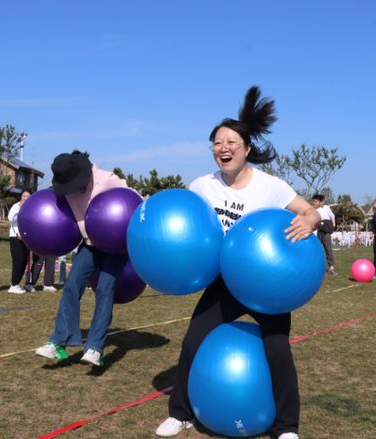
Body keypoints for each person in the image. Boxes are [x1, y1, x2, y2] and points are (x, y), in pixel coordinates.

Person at [155, 86, 319, 439]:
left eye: (231, 142)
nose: (223, 148)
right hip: (224, 282)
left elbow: (309, 210)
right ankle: (179, 413)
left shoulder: (270, 186)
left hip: (265, 284)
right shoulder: (202, 185)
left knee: (277, 350)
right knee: (192, 341)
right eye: (217, 143)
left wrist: (309, 220)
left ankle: (286, 427)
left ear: (246, 149)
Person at [34, 150, 129, 367]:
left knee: (105, 289)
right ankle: (58, 342)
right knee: (71, 285)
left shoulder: (106, 179)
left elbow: (131, 200)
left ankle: (95, 348)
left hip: (115, 246)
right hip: (89, 244)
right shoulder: (64, 187)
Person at [7, 189, 32, 294]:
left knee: (25, 260)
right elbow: (10, 219)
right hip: (15, 236)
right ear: (21, 197)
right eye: (24, 196)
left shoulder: (31, 207)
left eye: (28, 196)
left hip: (26, 237)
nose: (26, 198)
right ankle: (13, 285)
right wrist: (20, 208)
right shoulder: (16, 206)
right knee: (18, 260)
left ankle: (17, 284)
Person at [311, 194, 337, 275]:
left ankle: (331, 268)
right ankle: (316, 267)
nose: (314, 202)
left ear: (320, 202)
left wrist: (333, 224)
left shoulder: (326, 208)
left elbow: (332, 215)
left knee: (328, 250)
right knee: (317, 249)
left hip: (326, 231)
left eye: (316, 201)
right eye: (313, 201)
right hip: (317, 231)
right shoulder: (311, 210)